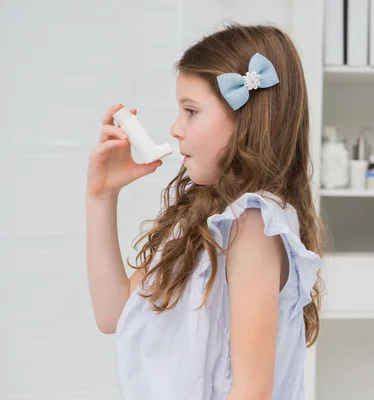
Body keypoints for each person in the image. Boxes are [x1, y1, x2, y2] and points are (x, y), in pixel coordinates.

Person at [85, 23, 326, 400]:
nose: (175, 128)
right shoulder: (201, 217)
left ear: (247, 120)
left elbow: (252, 392)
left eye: (191, 111)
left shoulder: (251, 224)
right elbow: (113, 314)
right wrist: (102, 196)